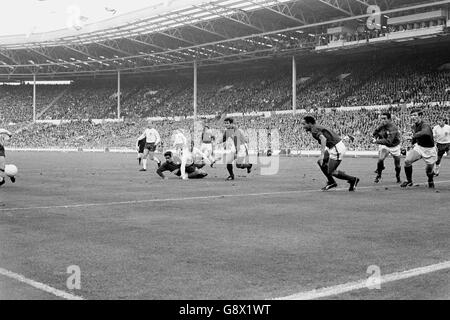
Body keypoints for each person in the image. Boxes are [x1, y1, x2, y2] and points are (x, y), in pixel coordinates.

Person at [302, 116, 360, 191]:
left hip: (336, 148)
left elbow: (323, 139)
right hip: (333, 147)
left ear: (309, 123)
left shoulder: (314, 129)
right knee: (320, 162)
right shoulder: (317, 127)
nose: (303, 127)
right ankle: (331, 182)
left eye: (304, 124)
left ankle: (353, 179)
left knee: (332, 171)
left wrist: (322, 155)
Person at [401, 109, 437, 188]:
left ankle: (430, 180)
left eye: (415, 115)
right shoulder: (414, 126)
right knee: (407, 161)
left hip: (429, 150)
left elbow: (426, 133)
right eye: (411, 115)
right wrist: (411, 143)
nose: (413, 117)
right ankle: (409, 181)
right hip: (419, 147)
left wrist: (413, 136)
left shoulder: (425, 125)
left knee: (429, 171)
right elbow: (415, 137)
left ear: (420, 116)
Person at [372, 112, 402, 183]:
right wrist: (375, 137)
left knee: (397, 165)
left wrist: (376, 141)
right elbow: (375, 133)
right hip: (385, 146)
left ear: (389, 119)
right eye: (382, 119)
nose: (382, 120)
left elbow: (389, 141)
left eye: (384, 119)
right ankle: (379, 175)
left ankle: (398, 176)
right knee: (380, 159)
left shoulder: (393, 128)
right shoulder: (381, 125)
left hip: (394, 146)